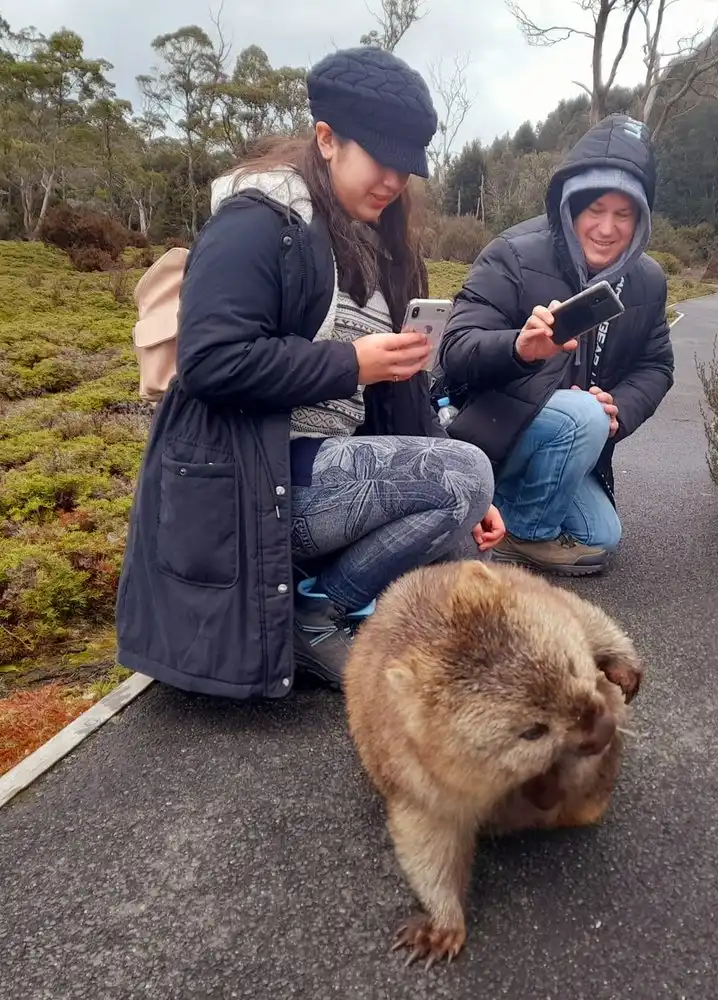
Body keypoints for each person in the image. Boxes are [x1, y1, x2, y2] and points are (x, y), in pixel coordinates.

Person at [114, 47, 504, 700]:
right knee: (463, 480)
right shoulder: (255, 225)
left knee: (470, 545)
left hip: (330, 471)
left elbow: (405, 399)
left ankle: (330, 601)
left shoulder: (384, 246)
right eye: (381, 160)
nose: (394, 181)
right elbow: (210, 361)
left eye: (406, 168)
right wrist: (351, 363)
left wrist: (466, 498)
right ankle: (311, 605)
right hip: (253, 479)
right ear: (327, 138)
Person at [436, 114, 675, 577]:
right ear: (570, 207)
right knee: (579, 416)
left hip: (569, 445)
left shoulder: (647, 280)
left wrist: (620, 407)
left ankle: (487, 514)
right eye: (595, 211)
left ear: (641, 218)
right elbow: (457, 349)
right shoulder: (515, 253)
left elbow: (657, 365)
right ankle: (519, 533)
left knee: (601, 537)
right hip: (490, 431)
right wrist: (519, 349)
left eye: (623, 214)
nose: (606, 228)